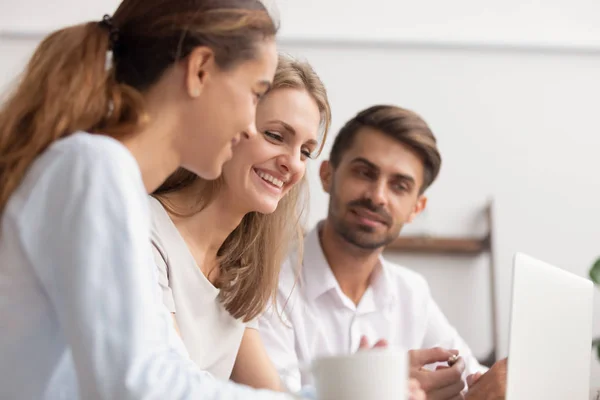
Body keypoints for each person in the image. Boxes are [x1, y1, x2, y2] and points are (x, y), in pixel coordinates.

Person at [0, 0, 303, 398]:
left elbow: (164, 371)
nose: (250, 127)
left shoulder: (104, 176)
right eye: (254, 93)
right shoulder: (94, 167)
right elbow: (140, 385)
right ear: (200, 70)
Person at [259, 104, 492, 399]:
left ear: (416, 209)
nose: (377, 196)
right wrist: (374, 386)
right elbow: (270, 396)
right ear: (328, 175)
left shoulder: (411, 292)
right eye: (364, 173)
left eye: (399, 186)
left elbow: (472, 373)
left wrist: (496, 380)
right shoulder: (267, 283)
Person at [149, 54, 330, 389]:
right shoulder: (146, 230)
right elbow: (172, 387)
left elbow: (271, 394)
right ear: (231, 126)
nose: (292, 163)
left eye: (305, 151)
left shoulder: (240, 270)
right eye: (276, 136)